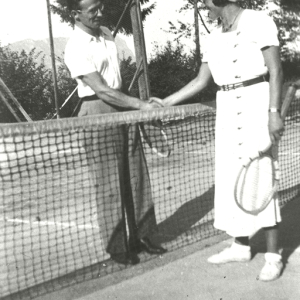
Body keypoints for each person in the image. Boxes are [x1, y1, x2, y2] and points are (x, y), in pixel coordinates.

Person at [151, 0, 284, 281]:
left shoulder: (259, 21)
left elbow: (275, 71)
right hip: (225, 108)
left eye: (207, 2)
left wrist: (273, 113)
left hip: (256, 104)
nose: (205, 6)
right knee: (230, 176)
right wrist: (166, 102)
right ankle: (240, 246)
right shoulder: (214, 36)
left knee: (261, 177)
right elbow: (201, 81)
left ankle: (273, 256)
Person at [64, 0, 166, 265]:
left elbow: (116, 84)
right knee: (109, 183)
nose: (100, 13)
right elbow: (103, 90)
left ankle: (143, 237)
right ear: (76, 14)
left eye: (100, 7)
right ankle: (118, 247)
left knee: (136, 174)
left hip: (123, 104)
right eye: (92, 10)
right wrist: (142, 106)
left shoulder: (107, 33)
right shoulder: (74, 47)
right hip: (97, 112)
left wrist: (137, 109)